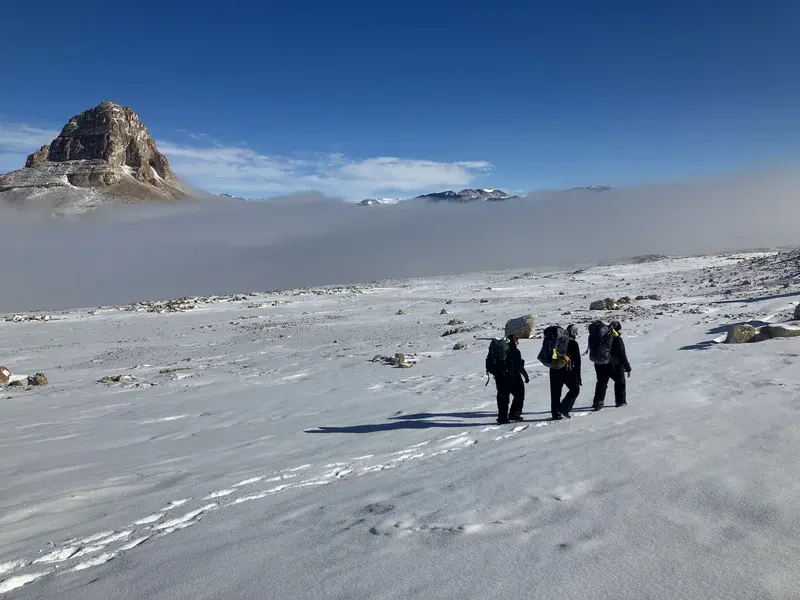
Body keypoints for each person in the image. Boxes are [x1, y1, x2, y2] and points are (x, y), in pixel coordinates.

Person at [592, 320, 631, 410]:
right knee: (620, 382)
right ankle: (620, 402)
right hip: (615, 365)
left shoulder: (601, 337)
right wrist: (628, 368)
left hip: (599, 364)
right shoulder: (617, 338)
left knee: (601, 383)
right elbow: (622, 354)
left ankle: (597, 403)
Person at [549, 324, 582, 420]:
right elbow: (577, 362)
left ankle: (555, 414)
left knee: (555, 394)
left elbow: (553, 356)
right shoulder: (573, 343)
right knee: (575, 390)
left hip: (554, 370)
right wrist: (578, 376)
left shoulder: (556, 341)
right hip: (568, 371)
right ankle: (564, 408)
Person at [496, 333, 529, 424]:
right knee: (519, 395)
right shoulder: (516, 352)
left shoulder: (500, 351)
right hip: (514, 378)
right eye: (517, 340)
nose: (518, 343)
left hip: (500, 378)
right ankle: (514, 414)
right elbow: (519, 367)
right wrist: (525, 376)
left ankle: (502, 418)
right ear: (514, 341)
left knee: (503, 399)